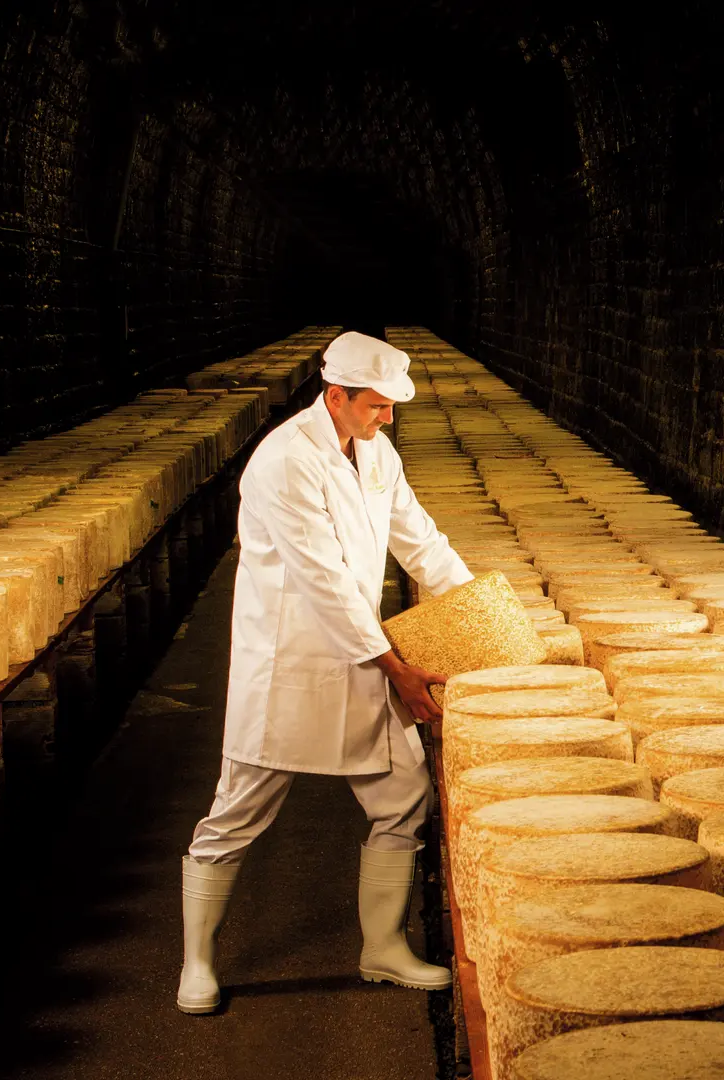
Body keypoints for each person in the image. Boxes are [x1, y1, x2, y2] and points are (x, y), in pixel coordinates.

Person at [176, 330, 471, 1014]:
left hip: (360, 657)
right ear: (335, 396)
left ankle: (384, 948)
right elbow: (325, 582)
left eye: (391, 406)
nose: (387, 418)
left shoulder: (376, 451)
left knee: (404, 796)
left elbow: (420, 540)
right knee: (236, 814)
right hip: (290, 667)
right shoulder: (285, 460)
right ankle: (196, 962)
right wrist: (397, 670)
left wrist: (482, 607)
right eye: (377, 405)